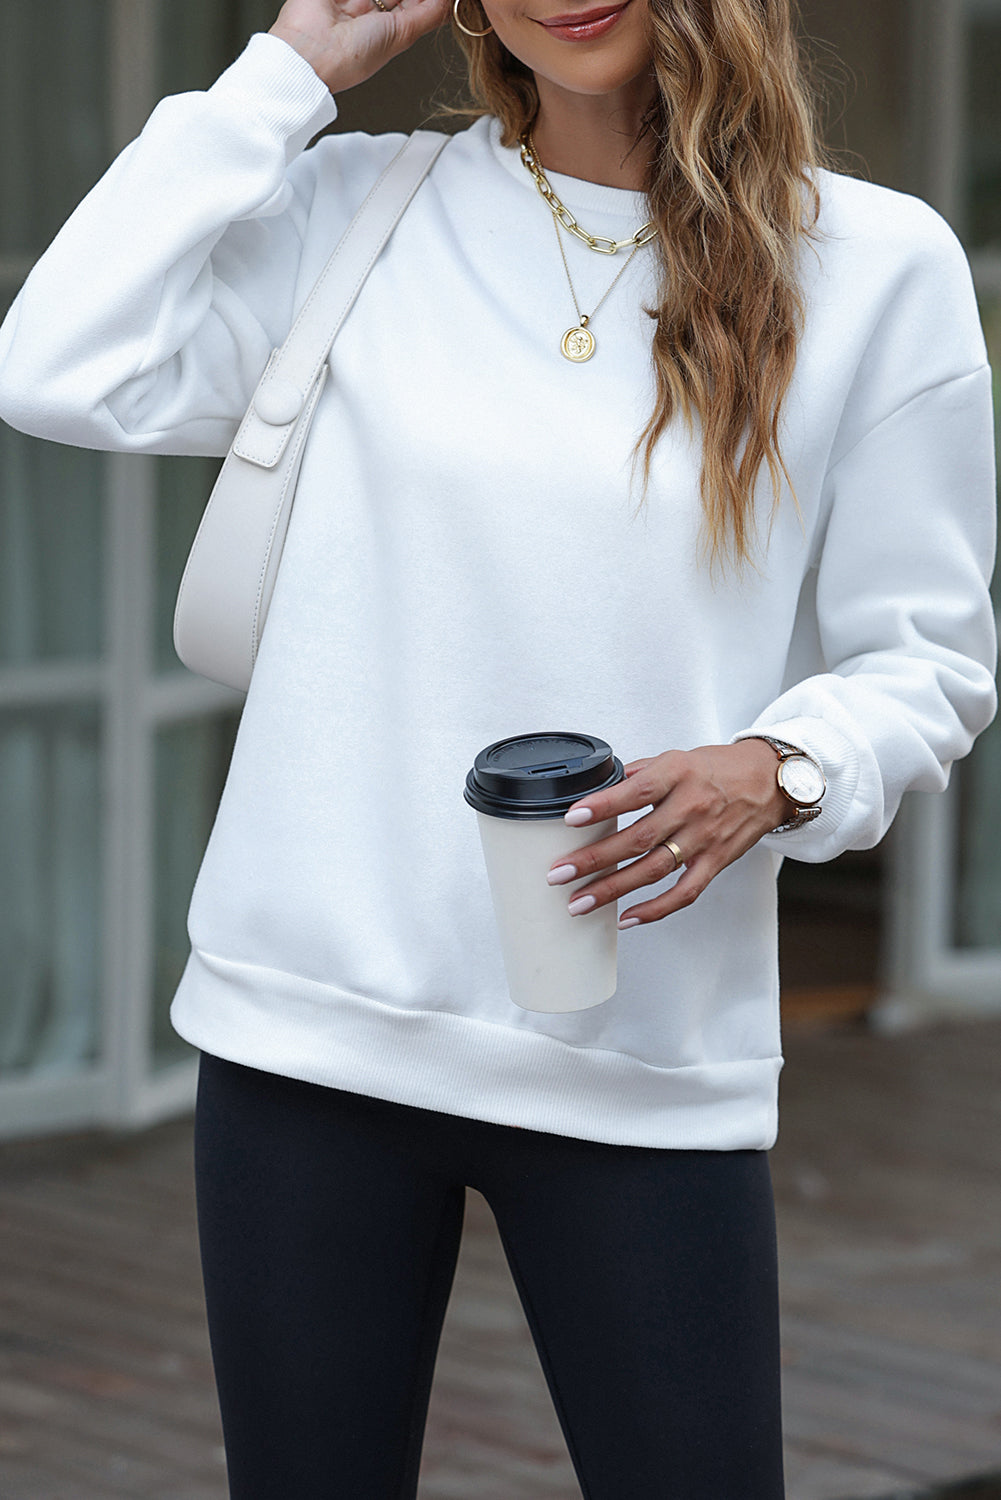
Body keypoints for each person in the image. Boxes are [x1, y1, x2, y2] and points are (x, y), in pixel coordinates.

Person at [0, 0, 996, 1493]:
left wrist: (782, 767)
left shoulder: (871, 265)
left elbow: (926, 654)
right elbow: (55, 363)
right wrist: (290, 69)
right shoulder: (357, 211)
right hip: (309, 1030)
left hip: (636, 1043)